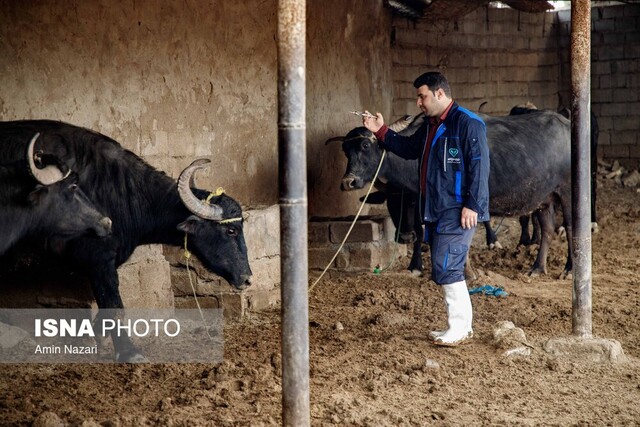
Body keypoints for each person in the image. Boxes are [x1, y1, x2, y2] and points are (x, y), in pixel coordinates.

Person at [362, 71, 490, 346]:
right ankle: (462, 327)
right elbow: (408, 149)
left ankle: (457, 328)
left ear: (439, 93)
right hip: (436, 206)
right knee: (447, 265)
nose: (418, 102)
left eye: (422, 96)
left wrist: (473, 205)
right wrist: (381, 130)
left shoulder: (468, 124)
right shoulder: (432, 125)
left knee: (447, 265)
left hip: (457, 208)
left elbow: (480, 167)